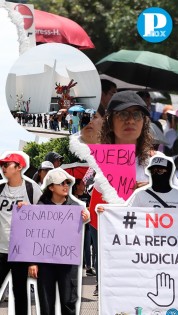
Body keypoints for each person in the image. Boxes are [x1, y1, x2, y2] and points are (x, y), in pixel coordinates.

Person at [89, 90, 153, 296]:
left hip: (152, 257)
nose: (130, 120)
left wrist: (150, 191)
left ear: (144, 122)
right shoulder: (99, 165)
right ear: (110, 122)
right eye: (122, 114)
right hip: (117, 260)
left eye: (137, 115)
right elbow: (95, 218)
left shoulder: (158, 162)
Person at [28, 168, 90, 315]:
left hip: (68, 264)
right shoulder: (39, 209)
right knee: (46, 304)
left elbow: (83, 223)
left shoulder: (76, 208)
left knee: (69, 302)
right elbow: (32, 237)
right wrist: (32, 262)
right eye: (61, 183)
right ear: (51, 187)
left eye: (67, 182)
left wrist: (86, 218)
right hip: (45, 264)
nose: (66, 186)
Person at [0, 152, 42, 315]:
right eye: (2, 165)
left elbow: (48, 213)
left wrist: (32, 209)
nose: (2, 168)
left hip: (21, 252)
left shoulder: (31, 188)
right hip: (1, 250)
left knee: (20, 294)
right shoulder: (0, 189)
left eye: (6, 165)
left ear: (19, 167)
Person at [72, 179, 96, 277]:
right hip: (74, 226)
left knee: (87, 246)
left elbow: (91, 207)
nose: (84, 185)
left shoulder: (87, 196)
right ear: (77, 186)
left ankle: (88, 267)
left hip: (87, 225)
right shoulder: (71, 197)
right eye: (82, 183)